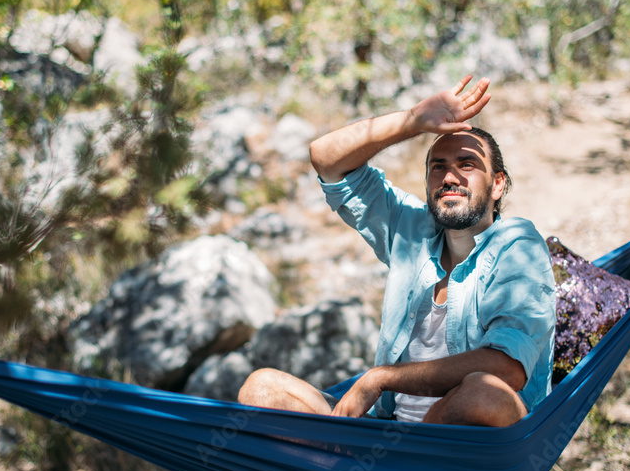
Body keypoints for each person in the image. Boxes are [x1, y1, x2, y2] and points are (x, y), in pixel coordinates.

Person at [237, 75, 556, 427]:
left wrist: (382, 377)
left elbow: (507, 369)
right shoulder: (411, 229)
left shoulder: (518, 245)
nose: (450, 177)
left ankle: (387, 463)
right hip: (386, 430)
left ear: (497, 184)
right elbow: (326, 159)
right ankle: (357, 467)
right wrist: (414, 120)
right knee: (261, 387)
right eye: (438, 167)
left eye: (466, 164)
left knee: (483, 392)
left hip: (473, 448)